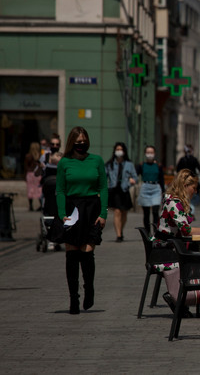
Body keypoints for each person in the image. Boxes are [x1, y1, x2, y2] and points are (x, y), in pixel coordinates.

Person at [153, 169, 200, 315]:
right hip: (165, 251)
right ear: (185, 186)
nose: (195, 191)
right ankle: (182, 297)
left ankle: (184, 297)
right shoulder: (173, 203)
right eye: (194, 188)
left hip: (169, 246)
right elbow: (186, 231)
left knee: (199, 254)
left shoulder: (174, 200)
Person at [56, 126, 108, 314]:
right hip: (72, 208)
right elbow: (60, 190)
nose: (81, 144)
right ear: (71, 143)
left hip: (91, 208)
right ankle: (73, 299)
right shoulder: (64, 163)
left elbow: (103, 187)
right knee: (72, 254)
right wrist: (62, 213)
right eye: (77, 142)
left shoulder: (96, 160)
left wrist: (103, 213)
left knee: (87, 251)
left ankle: (89, 290)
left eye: (83, 141)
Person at [105, 142, 137, 242]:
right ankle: (118, 235)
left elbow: (135, 177)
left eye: (121, 150)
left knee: (124, 212)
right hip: (114, 190)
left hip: (124, 189)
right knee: (117, 211)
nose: (119, 152)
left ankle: (121, 230)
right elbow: (103, 177)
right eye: (117, 150)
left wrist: (131, 181)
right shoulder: (109, 164)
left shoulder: (129, 164)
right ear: (114, 151)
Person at [136, 145, 165, 235]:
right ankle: (148, 233)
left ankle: (156, 232)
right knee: (146, 213)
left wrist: (163, 191)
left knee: (155, 211)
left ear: (154, 154)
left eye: (151, 152)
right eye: (148, 152)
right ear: (145, 154)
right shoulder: (142, 165)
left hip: (155, 188)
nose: (150, 154)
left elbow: (161, 179)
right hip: (145, 187)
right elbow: (135, 174)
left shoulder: (158, 165)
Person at [24, 141, 42, 211]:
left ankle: (31, 205)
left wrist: (25, 176)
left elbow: (26, 167)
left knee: (30, 189)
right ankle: (41, 205)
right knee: (39, 190)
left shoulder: (28, 156)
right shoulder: (40, 156)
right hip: (37, 174)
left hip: (30, 174)